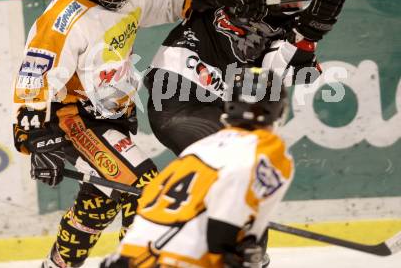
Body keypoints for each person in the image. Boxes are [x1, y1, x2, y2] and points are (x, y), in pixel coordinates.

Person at [12, 0, 187, 268]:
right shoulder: (63, 23)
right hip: (73, 117)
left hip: (110, 116)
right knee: (144, 188)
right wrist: (33, 138)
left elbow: (173, 0)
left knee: (102, 199)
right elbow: (34, 80)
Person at [145, 0, 347, 156]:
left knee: (247, 164)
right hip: (178, 86)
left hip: (220, 105)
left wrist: (311, 30)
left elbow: (277, 72)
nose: (300, 3)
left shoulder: (292, 21)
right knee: (227, 162)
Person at [100, 68, 294, 268]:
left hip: (123, 258)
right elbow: (220, 239)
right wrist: (242, 251)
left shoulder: (201, 146)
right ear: (279, 110)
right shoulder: (268, 151)